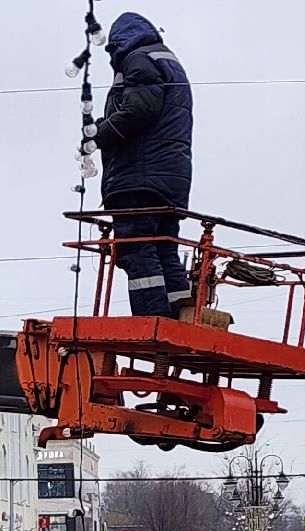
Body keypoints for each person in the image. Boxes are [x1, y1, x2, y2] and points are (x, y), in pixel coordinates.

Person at [93, 13, 195, 320]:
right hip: (169, 179)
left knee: (135, 249)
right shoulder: (168, 62)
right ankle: (183, 313)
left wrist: (100, 133)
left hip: (138, 177)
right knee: (163, 249)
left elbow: (139, 110)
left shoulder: (138, 60)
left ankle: (154, 321)